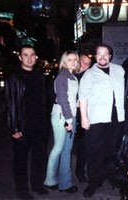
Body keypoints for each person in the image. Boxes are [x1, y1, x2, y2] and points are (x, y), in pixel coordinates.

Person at [79, 43, 125, 198]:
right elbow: (83, 98)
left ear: (110, 56)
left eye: (106, 54)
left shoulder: (120, 70)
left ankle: (116, 180)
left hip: (116, 118)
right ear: (96, 56)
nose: (103, 57)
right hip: (96, 119)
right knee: (94, 152)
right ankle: (93, 182)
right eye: (99, 54)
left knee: (114, 151)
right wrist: (84, 118)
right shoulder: (89, 74)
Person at [4, 45, 48, 200]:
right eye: (26, 55)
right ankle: (22, 191)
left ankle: (37, 185)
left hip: (39, 126)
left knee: (39, 158)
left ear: (36, 57)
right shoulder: (14, 77)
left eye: (32, 55)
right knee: (20, 161)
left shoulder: (39, 76)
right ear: (20, 57)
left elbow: (44, 101)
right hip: (22, 126)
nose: (29, 58)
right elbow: (10, 104)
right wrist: (14, 128)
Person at [44, 51, 79, 194]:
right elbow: (63, 99)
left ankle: (65, 183)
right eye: (69, 59)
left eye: (75, 59)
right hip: (62, 117)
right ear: (64, 61)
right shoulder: (62, 76)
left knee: (66, 150)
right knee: (58, 148)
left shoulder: (72, 76)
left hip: (70, 116)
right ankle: (50, 179)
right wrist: (69, 120)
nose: (73, 62)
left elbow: (71, 98)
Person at [75, 54, 92, 183]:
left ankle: (81, 172)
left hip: (86, 115)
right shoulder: (69, 75)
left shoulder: (89, 77)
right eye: (83, 61)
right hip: (72, 117)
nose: (84, 65)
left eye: (88, 63)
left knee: (84, 147)